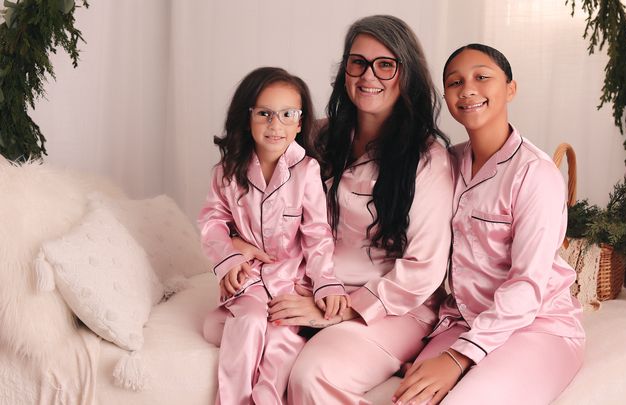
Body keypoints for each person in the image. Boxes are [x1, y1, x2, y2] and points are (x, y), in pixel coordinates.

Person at [231, 15, 454, 404]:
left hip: (392, 307)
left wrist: (340, 310)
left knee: (312, 374)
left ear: (407, 74)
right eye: (358, 62)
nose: (369, 75)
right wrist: (234, 238)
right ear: (344, 71)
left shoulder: (427, 159)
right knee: (231, 330)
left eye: (385, 65)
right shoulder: (315, 135)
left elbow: (424, 269)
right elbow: (248, 190)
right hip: (306, 285)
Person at [392, 44, 586, 405]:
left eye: (482, 77)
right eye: (455, 82)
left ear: (510, 89)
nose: (468, 89)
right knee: (410, 398)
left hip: (538, 325)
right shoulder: (446, 163)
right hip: (463, 321)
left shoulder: (535, 174)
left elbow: (527, 285)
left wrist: (457, 358)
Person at [197, 66, 349, 405]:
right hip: (248, 280)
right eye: (264, 114)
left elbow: (317, 233)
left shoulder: (307, 171)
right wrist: (229, 257)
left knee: (281, 340)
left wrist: (325, 282)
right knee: (249, 323)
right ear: (247, 117)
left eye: (287, 114)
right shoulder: (227, 172)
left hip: (290, 283)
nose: (275, 125)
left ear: (300, 122)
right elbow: (212, 220)